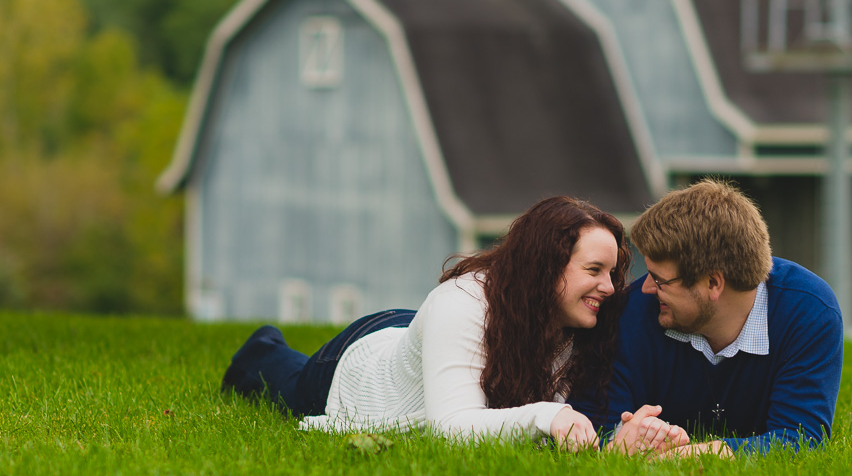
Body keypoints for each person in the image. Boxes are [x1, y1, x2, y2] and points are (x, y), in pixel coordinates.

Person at [221, 195, 682, 451]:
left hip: (429, 341)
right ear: (547, 265)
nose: (609, 286)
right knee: (277, 380)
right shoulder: (461, 303)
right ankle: (263, 346)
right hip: (362, 364)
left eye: (613, 272)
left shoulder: (580, 323)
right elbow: (451, 428)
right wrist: (549, 415)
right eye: (594, 270)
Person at [572, 179, 844, 457]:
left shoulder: (809, 312)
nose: (646, 288)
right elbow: (592, 430)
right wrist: (619, 439)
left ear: (713, 283)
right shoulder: (627, 313)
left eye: (659, 279)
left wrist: (685, 457)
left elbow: (800, 438)